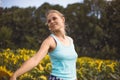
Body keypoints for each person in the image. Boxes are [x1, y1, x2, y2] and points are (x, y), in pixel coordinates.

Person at [10, 9, 78, 80]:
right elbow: (35, 60)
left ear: (62, 19)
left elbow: (71, 66)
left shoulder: (70, 40)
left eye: (54, 18)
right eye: (49, 21)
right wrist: (15, 75)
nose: (52, 21)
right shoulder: (50, 41)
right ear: (48, 26)